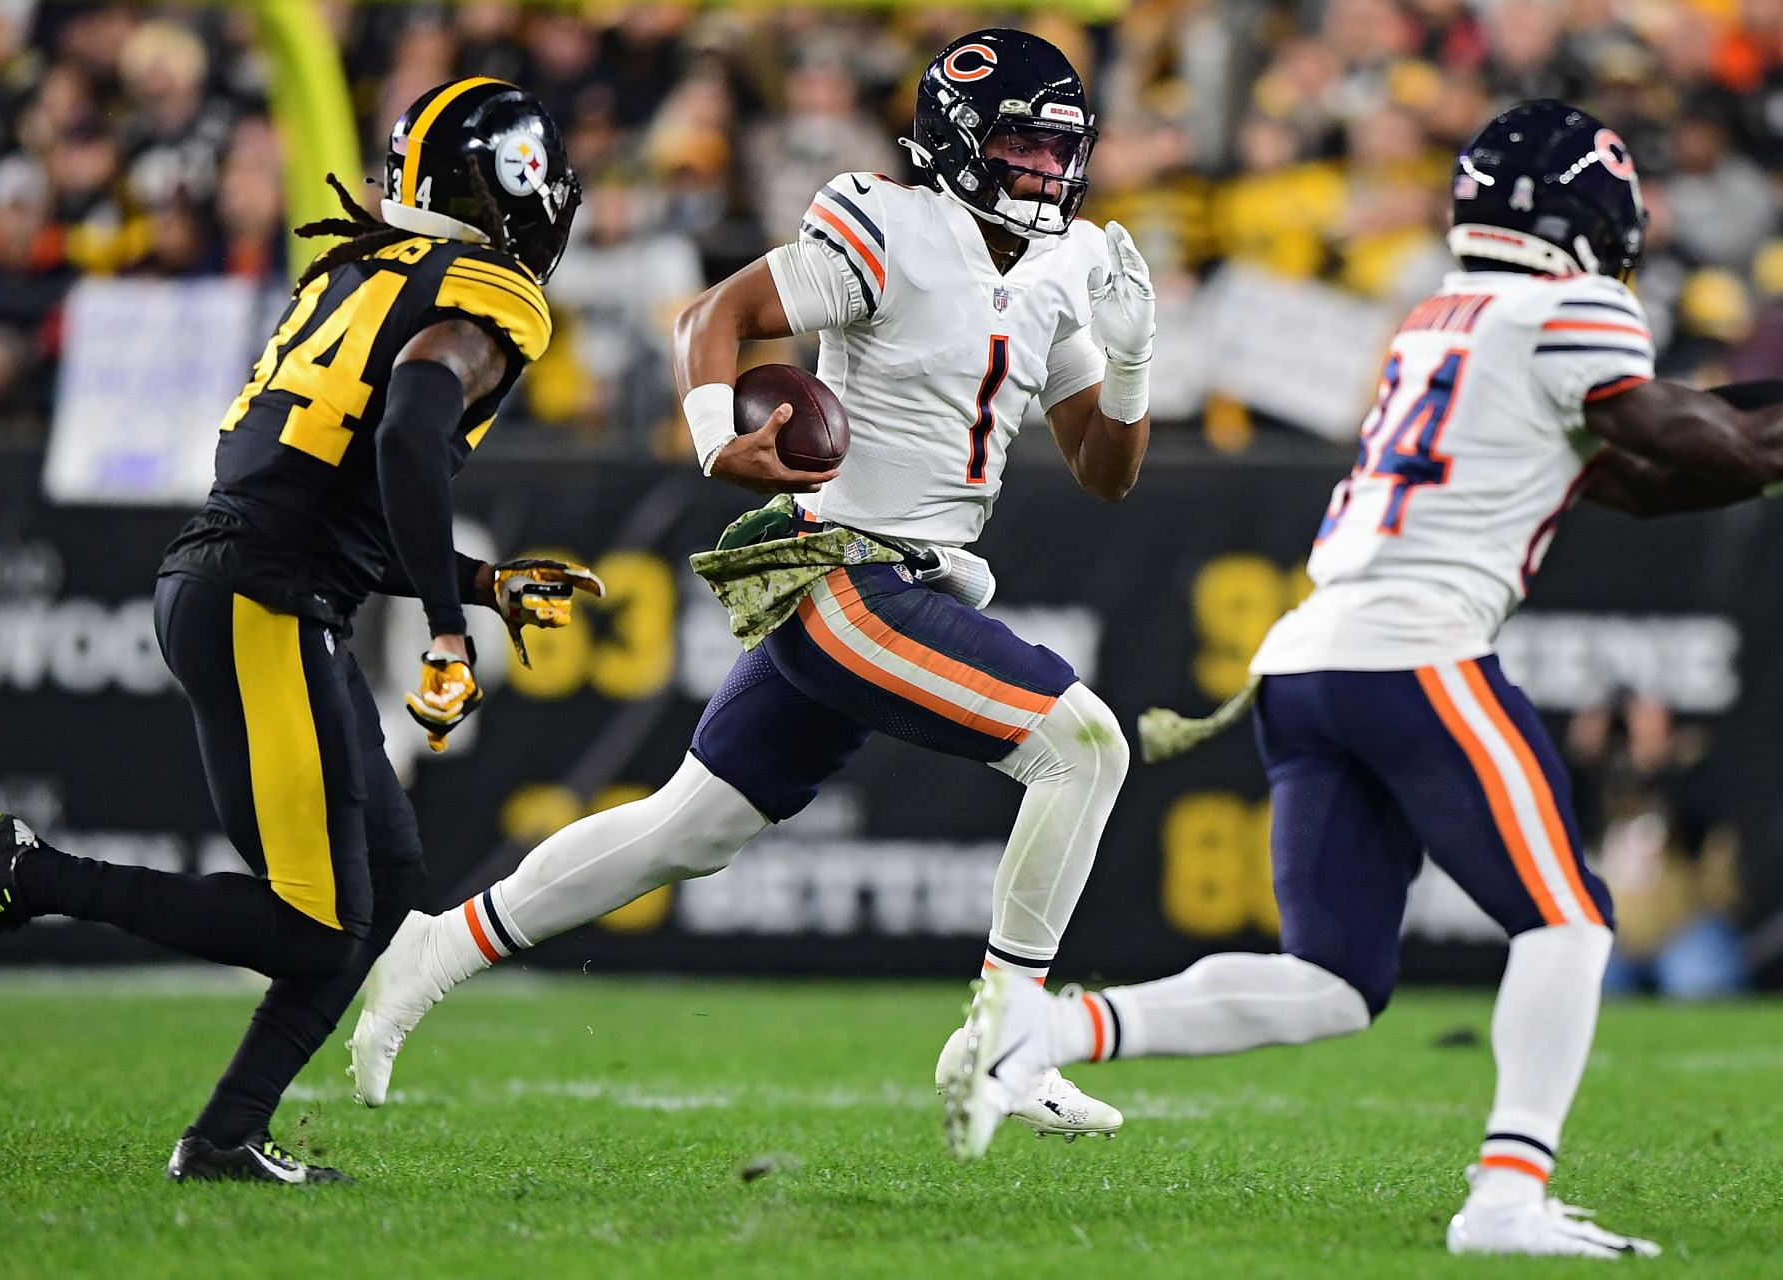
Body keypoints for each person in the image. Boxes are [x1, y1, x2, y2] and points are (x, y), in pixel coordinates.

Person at [945, 101, 1783, 1257]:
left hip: (1308, 656)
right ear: (1591, 208)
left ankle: (1045, 1029)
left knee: (1333, 976)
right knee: (1570, 920)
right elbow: (1695, 443)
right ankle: (1505, 1194)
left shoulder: (1450, 315)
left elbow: (1648, 475)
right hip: (1414, 648)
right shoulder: (1567, 304)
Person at [349, 29, 1157, 1143]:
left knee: (688, 828)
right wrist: (713, 435)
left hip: (912, 583)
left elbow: (1106, 473)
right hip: (849, 576)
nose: (1045, 172)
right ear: (960, 141)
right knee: (1086, 746)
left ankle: (436, 944)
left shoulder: (1057, 272)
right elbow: (713, 318)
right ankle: (1004, 1034)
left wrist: (1130, 362)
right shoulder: (890, 224)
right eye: (1021, 145)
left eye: (1059, 150)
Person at [0, 78, 597, 1184]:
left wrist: (472, 576)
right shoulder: (482, 295)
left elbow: (343, 490)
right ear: (512, 188)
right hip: (263, 602)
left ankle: (228, 1133)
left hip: (238, 584)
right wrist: (452, 630)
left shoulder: (362, 269)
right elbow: (408, 443)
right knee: (317, 921)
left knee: (383, 873)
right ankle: (32, 876)